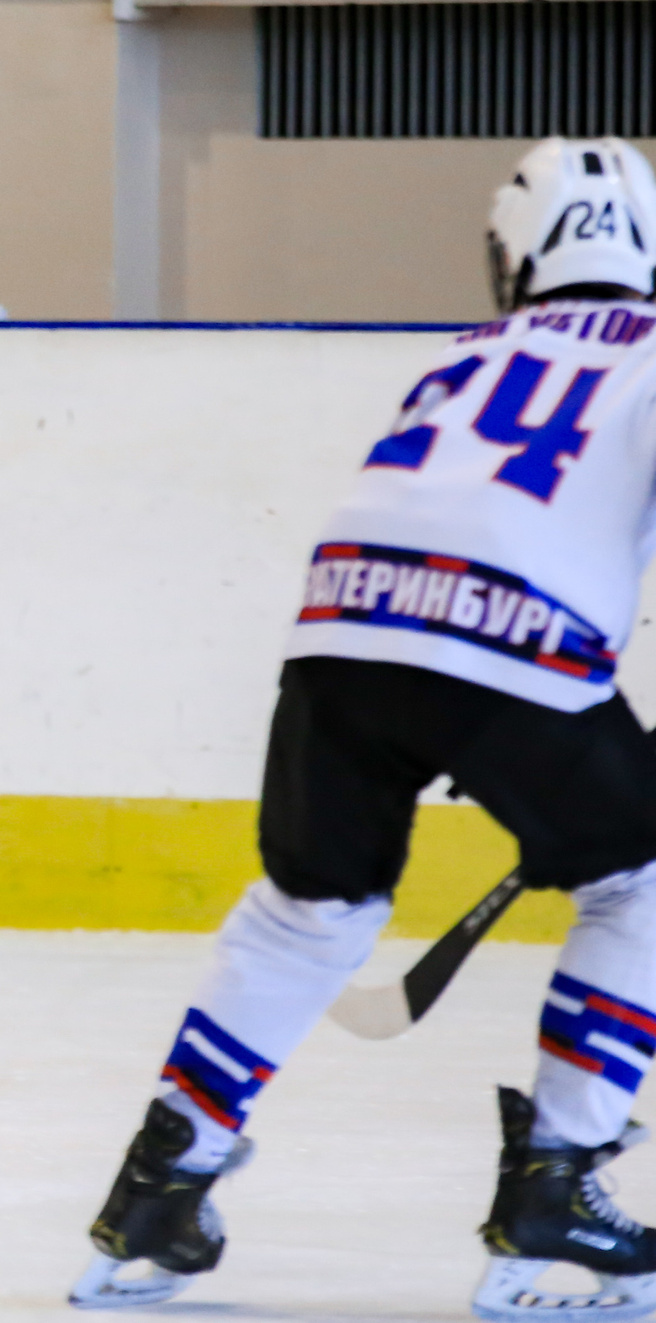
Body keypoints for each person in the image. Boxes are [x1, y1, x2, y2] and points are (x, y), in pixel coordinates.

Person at [72, 137, 656, 1321]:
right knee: (639, 884)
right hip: (508, 648)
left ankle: (161, 1181)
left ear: (519, 254)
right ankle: (557, 1182)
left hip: (338, 639)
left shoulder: (463, 355)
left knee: (307, 913)